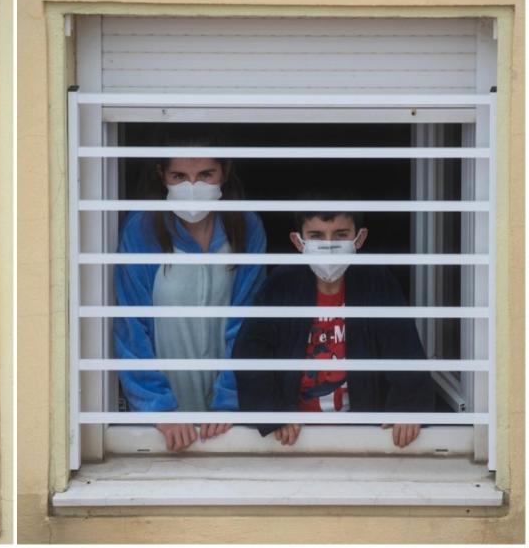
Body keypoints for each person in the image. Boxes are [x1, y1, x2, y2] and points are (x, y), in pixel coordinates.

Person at [233, 206, 434, 448]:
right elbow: (251, 353)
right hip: (292, 437)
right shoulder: (280, 286)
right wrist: (274, 413)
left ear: (359, 238)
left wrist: (407, 408)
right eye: (316, 236)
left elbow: (404, 349)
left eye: (340, 235)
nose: (329, 245)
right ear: (299, 242)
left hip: (363, 437)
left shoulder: (377, 282)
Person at [114, 138, 267, 452]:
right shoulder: (141, 229)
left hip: (230, 422)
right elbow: (131, 327)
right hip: (164, 426)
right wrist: (159, 409)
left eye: (206, 175)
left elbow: (250, 323)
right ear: (162, 175)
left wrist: (230, 401)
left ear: (225, 172)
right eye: (180, 177)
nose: (193, 186)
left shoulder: (246, 227)